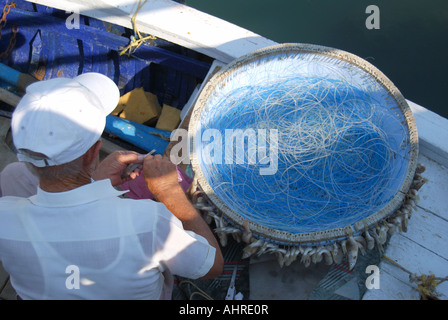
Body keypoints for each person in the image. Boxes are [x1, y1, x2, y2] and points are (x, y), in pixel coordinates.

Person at [0, 73, 223, 300]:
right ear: (93, 152)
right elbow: (213, 265)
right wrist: (170, 193)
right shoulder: (149, 223)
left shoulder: (5, 216)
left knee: (12, 175)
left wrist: (95, 181)